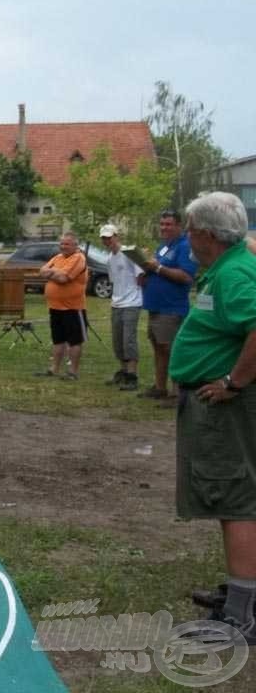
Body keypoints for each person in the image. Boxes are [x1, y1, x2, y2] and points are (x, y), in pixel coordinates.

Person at [168, 192, 256, 642]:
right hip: (216, 401)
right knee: (231, 496)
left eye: (189, 229)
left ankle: (244, 615)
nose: (187, 237)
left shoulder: (236, 272)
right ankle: (244, 595)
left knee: (236, 497)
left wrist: (233, 382)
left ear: (205, 233)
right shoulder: (230, 265)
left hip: (227, 405)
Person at [139, 209, 197, 406]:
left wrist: (158, 268)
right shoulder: (163, 247)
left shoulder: (184, 246)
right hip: (155, 306)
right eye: (162, 224)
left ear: (179, 226)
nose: (163, 228)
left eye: (168, 224)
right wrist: (146, 274)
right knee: (158, 348)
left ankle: (176, 393)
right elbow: (158, 270)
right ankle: (160, 387)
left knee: (172, 350)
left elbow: (186, 277)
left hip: (171, 308)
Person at [34, 233, 88, 380]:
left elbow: (64, 279)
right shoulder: (57, 258)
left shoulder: (78, 258)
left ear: (75, 246)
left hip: (72, 307)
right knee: (57, 339)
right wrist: (55, 273)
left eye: (67, 244)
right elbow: (41, 271)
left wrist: (50, 273)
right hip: (55, 306)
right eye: (62, 244)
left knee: (74, 341)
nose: (63, 246)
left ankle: (73, 372)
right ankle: (54, 369)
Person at [100, 224, 144, 390]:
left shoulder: (129, 253)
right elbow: (114, 280)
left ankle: (132, 376)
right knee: (117, 340)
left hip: (132, 302)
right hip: (117, 302)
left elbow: (141, 274)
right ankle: (123, 371)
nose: (107, 241)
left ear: (117, 236)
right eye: (104, 238)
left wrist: (137, 292)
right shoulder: (110, 258)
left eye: (109, 237)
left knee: (128, 339)